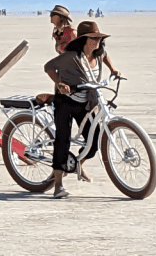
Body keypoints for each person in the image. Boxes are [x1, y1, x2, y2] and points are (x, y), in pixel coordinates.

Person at [43, 21, 122, 198]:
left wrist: (113, 69)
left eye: (98, 38)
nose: (96, 42)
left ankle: (77, 163)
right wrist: (60, 83)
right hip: (66, 101)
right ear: (84, 40)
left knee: (94, 141)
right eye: (92, 39)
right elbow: (48, 67)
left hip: (85, 102)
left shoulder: (98, 54)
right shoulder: (71, 56)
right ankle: (58, 185)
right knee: (63, 140)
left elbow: (105, 56)